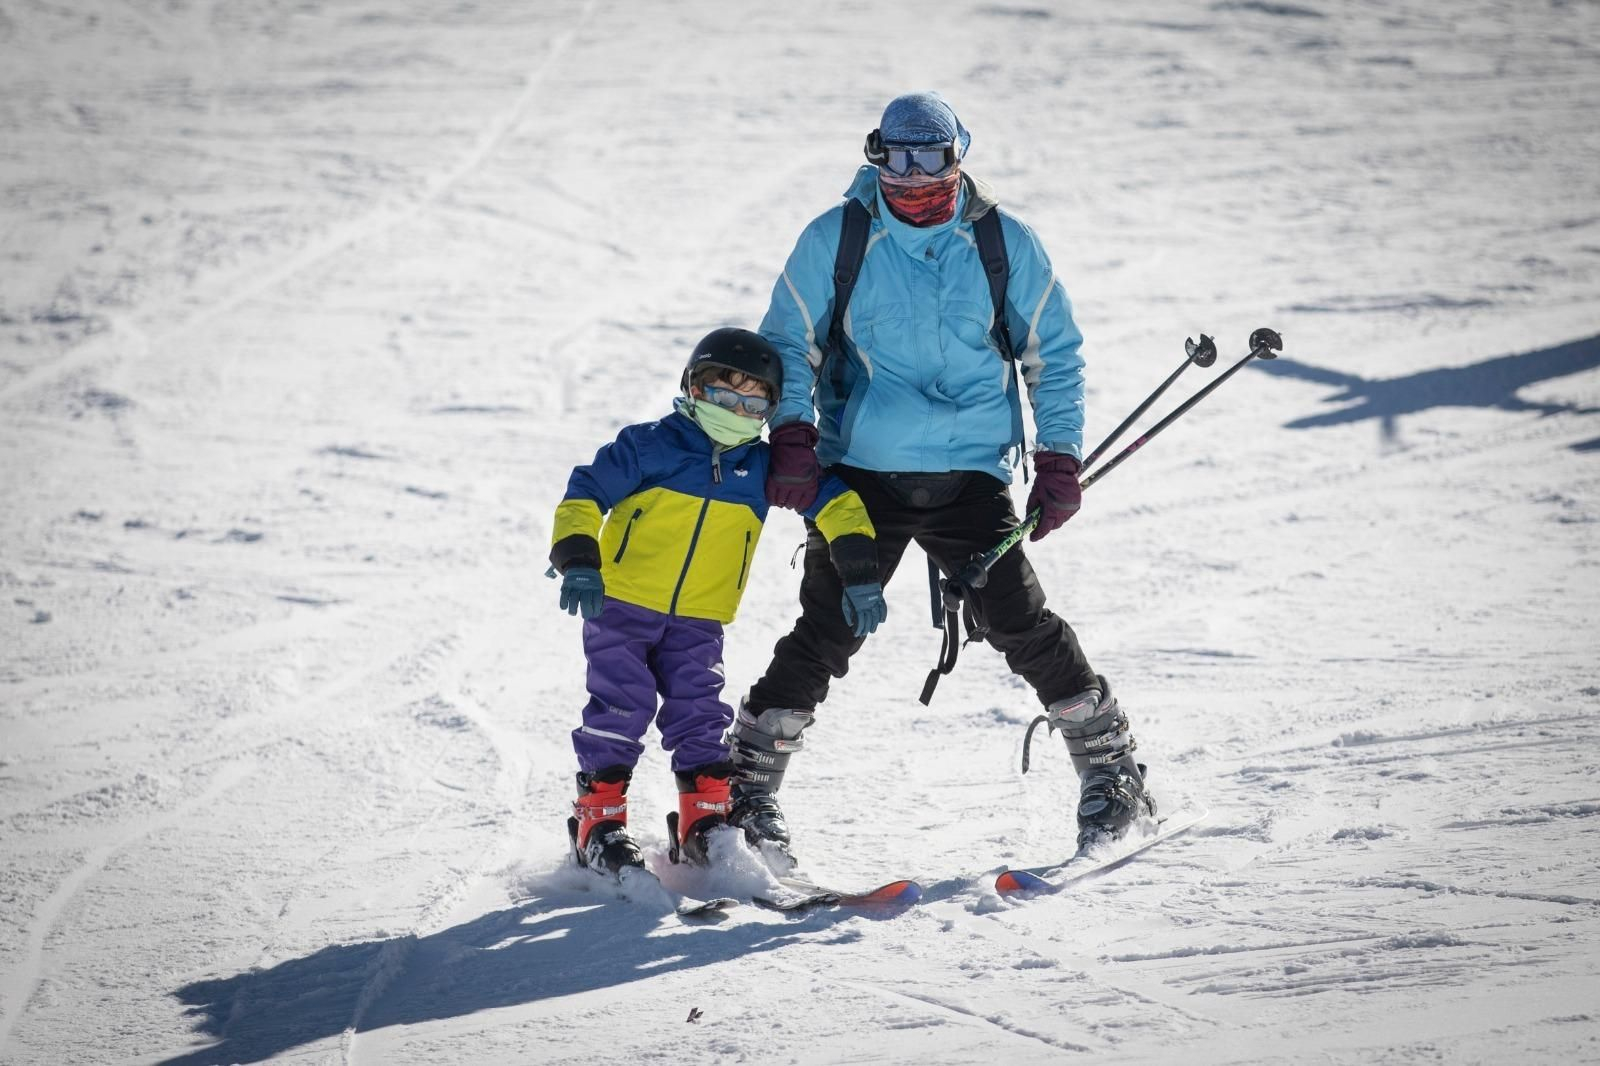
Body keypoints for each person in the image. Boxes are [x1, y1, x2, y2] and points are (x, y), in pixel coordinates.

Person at [727, 92, 1155, 862]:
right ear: (876, 156)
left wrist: (1059, 458)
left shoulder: (1004, 242)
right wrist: (792, 431)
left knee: (1020, 620)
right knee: (828, 627)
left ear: (960, 156)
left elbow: (1052, 354)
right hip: (861, 472)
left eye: (933, 159)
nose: (914, 178)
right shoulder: (838, 238)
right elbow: (790, 341)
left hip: (969, 474)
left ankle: (1111, 771)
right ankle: (744, 792)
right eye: (897, 158)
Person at [548, 327, 886, 878]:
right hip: (623, 607)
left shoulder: (762, 468)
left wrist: (860, 571)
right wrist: (579, 558)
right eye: (723, 396)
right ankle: (597, 824)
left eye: (753, 402)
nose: (736, 409)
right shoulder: (649, 445)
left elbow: (837, 503)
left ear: (770, 411)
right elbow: (584, 493)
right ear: (693, 388)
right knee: (620, 708)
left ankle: (702, 823)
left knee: (700, 714)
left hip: (699, 618)